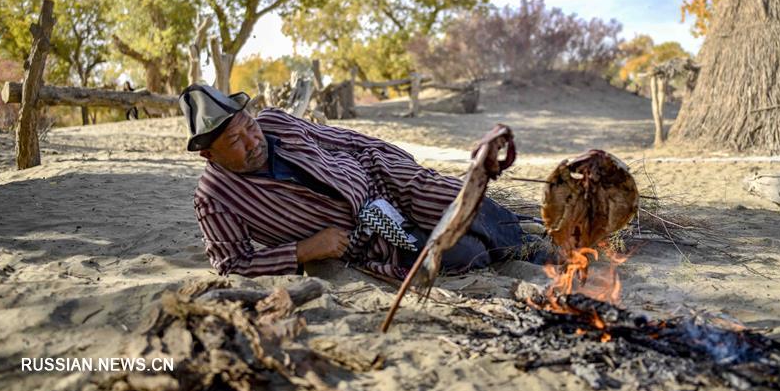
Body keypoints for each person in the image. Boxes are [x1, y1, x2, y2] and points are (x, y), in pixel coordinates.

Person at [179, 84, 529, 279]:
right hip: (367, 237)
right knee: (465, 254)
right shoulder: (213, 198)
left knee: (458, 200)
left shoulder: (275, 122)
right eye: (236, 142)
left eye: (249, 127)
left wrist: (401, 163)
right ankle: (503, 247)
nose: (253, 141)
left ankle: (531, 246)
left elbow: (346, 141)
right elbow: (231, 264)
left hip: (379, 178)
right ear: (209, 155)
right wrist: (306, 250)